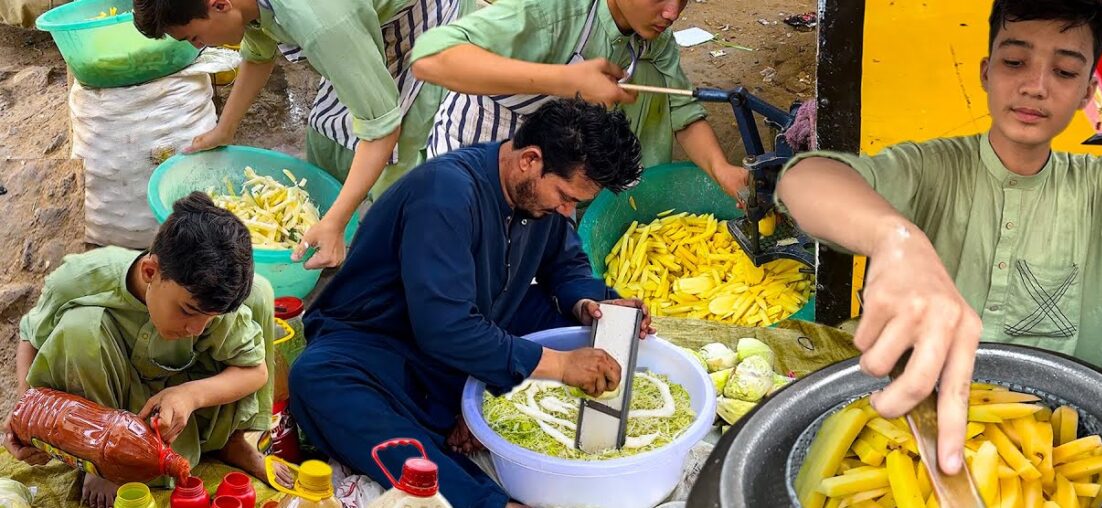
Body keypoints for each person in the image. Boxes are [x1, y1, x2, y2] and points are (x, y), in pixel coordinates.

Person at [774, 0, 1102, 477]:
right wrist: (895, 237)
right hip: (910, 438)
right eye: (1015, 61)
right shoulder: (930, 168)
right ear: (985, 72)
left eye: (1063, 71)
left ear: (1087, 94)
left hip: (1054, 460)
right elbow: (804, 181)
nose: (1035, 86)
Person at [287, 99, 653, 507]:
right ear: (530, 160)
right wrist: (562, 365)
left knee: (592, 325)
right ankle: (482, 498)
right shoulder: (445, 194)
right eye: (565, 196)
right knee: (315, 381)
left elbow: (565, 264)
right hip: (384, 347)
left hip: (480, 326)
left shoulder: (537, 194)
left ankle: (467, 406)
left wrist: (589, 302)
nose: (567, 210)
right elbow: (445, 328)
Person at [132, 0, 465, 269]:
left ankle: (407, 263)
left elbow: (383, 128)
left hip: (416, 26)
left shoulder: (320, 23)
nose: (200, 46)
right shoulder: (244, 7)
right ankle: (328, 239)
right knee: (327, 135)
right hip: (354, 28)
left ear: (219, 5)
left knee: (396, 166)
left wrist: (335, 222)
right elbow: (259, 51)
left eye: (194, 38)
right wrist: (224, 129)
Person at [3, 192, 277, 508]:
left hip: (179, 423)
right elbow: (31, 338)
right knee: (80, 329)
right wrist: (27, 415)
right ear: (150, 272)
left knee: (260, 293)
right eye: (187, 311)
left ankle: (232, 441)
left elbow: (254, 370)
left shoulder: (205, 299)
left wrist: (189, 396)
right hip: (101, 415)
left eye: (208, 319)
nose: (196, 328)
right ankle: (101, 465)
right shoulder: (79, 279)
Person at [408, 0, 752, 204]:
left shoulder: (653, 39)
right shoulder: (550, 12)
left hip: (549, 171)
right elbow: (430, 58)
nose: (672, 12)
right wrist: (566, 80)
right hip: (480, 160)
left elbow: (683, 111)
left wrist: (721, 171)